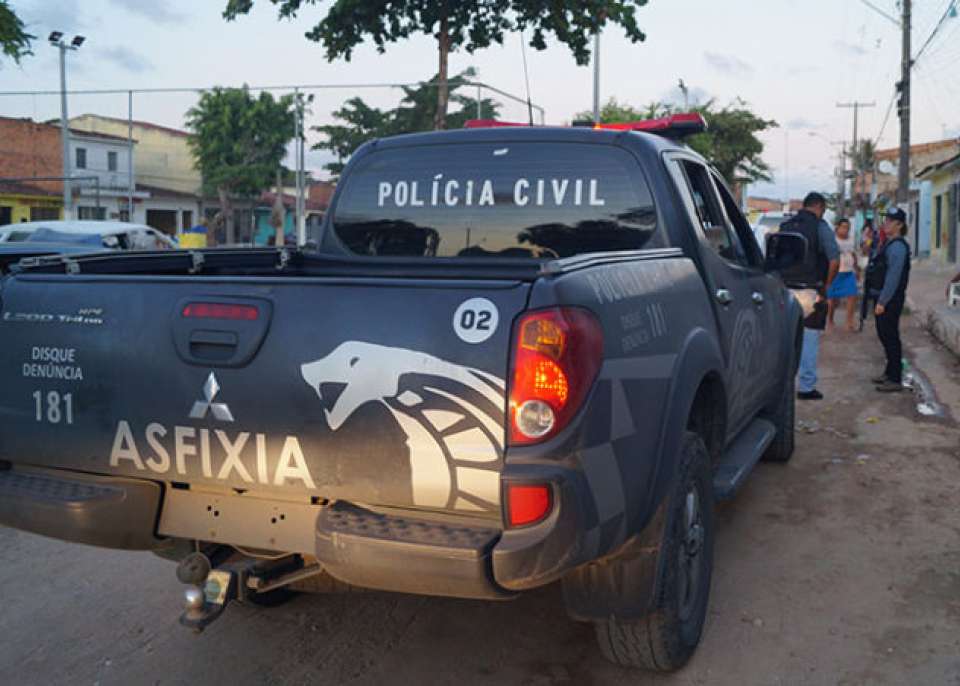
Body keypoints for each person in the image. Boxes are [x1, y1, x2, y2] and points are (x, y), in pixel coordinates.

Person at [779, 192, 840, 400]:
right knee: (809, 339)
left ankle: (781, 387)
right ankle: (806, 387)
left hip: (784, 290)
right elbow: (834, 260)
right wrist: (827, 286)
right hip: (810, 290)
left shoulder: (786, 225)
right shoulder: (820, 227)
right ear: (820, 207)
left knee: (785, 339)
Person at [868, 207, 911, 393]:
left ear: (899, 225)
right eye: (885, 220)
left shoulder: (898, 247)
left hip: (890, 299)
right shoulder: (889, 243)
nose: (885, 224)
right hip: (883, 296)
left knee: (890, 337)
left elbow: (893, 277)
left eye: (890, 221)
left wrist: (882, 301)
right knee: (885, 335)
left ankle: (895, 378)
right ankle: (889, 372)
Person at [826, 218, 859, 331]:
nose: (846, 230)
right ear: (838, 228)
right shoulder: (832, 240)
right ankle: (830, 320)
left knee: (852, 296)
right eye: (844, 227)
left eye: (848, 228)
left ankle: (849, 322)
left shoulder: (851, 240)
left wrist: (856, 268)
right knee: (833, 300)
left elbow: (853, 254)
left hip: (849, 272)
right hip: (836, 273)